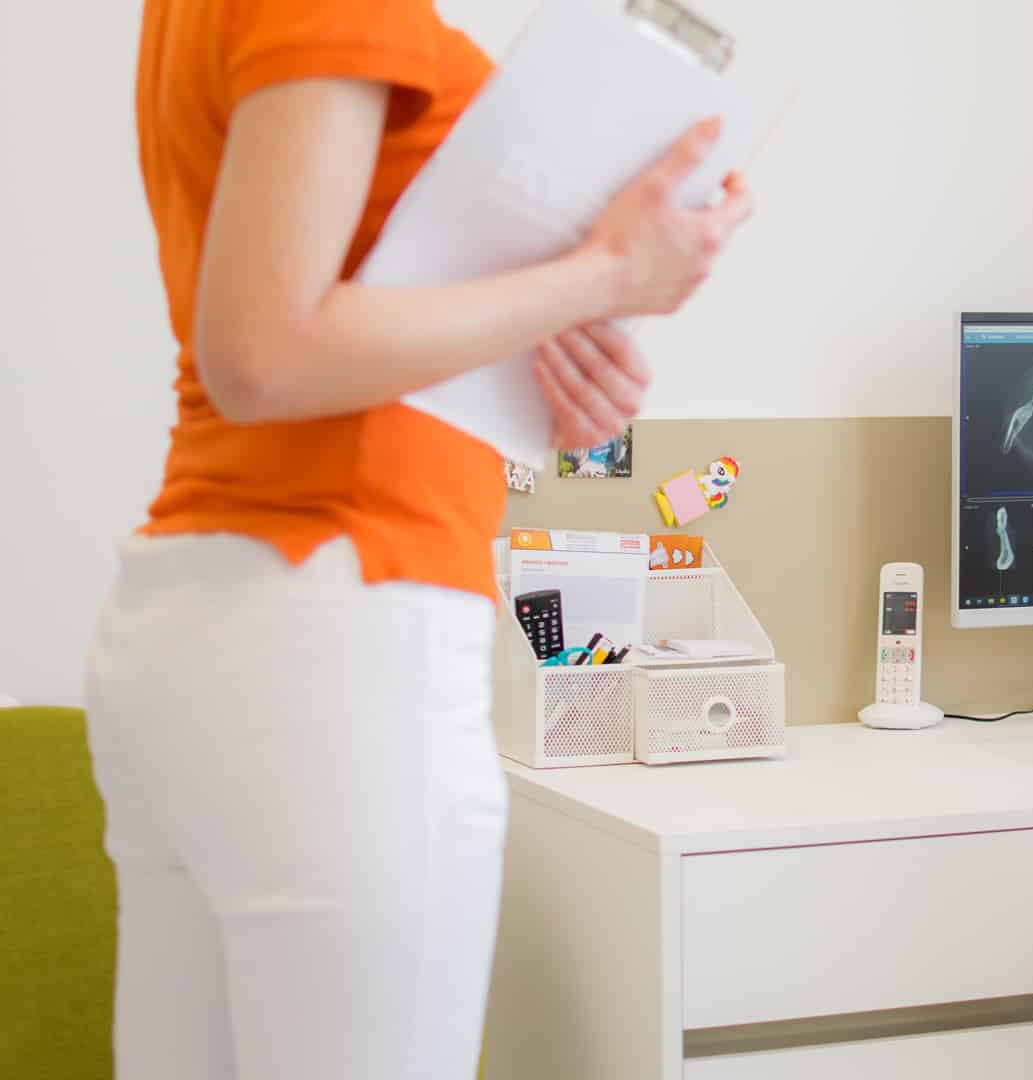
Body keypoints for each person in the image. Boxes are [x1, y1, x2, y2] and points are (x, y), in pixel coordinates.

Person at [84, 3, 752, 1078]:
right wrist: (609, 276)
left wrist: (549, 352)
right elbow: (263, 353)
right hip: (337, 641)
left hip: (210, 621)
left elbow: (310, 325)